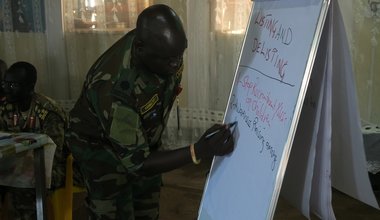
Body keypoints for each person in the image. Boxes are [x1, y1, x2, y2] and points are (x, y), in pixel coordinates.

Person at [66, 4, 235, 220]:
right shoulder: (114, 88)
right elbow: (140, 163)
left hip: (142, 137)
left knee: (147, 202)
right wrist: (197, 150)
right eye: (168, 59)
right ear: (140, 48)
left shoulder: (165, 51)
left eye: (180, 55)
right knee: (115, 209)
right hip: (99, 150)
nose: (176, 64)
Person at [0, 61, 67, 219]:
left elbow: (55, 154)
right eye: (5, 83)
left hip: (48, 168)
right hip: (13, 166)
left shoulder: (48, 111)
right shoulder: (6, 107)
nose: (6, 89)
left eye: (13, 85)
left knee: (23, 191)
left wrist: (20, 168)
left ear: (30, 87)